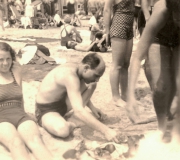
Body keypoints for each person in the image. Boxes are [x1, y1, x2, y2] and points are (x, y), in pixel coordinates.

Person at [126, 0, 180, 142]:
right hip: (159, 39)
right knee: (161, 87)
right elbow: (137, 57)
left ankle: (175, 129)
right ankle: (162, 128)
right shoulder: (162, 10)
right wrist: (130, 96)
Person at [35, 53, 119, 142]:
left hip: (63, 105)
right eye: (96, 75)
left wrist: (93, 108)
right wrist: (106, 131)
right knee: (63, 130)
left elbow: (75, 92)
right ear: (86, 68)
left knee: (92, 84)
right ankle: (73, 123)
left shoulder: (78, 69)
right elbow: (78, 110)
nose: (97, 79)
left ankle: (72, 118)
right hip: (46, 110)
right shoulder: (70, 76)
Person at [104, 0, 135, 108]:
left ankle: (125, 94)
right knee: (117, 64)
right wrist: (107, 32)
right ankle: (116, 97)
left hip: (129, 27)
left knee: (126, 64)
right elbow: (107, 10)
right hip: (118, 26)